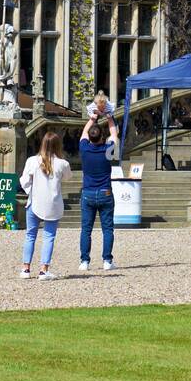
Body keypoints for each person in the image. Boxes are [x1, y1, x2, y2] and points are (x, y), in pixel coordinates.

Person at [19, 132, 70, 280]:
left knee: (30, 236)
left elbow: (24, 181)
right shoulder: (62, 163)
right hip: (52, 203)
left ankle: (25, 268)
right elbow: (67, 177)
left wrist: (31, 191)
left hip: (35, 201)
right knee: (48, 237)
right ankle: (43, 269)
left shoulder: (32, 161)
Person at [78, 111, 118, 270]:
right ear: (102, 137)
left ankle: (84, 261)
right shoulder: (107, 150)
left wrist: (92, 118)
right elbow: (114, 133)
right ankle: (107, 261)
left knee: (86, 229)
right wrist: (109, 117)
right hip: (105, 192)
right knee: (107, 229)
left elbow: (83, 133)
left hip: (88, 192)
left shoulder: (84, 149)